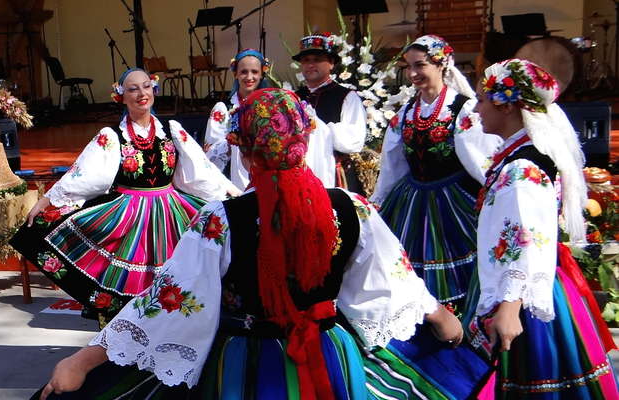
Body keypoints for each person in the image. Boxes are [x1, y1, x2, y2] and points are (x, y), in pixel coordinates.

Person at [32, 88, 464, 399]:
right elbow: (390, 281)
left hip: (247, 364)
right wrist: (442, 318)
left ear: (247, 153)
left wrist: (83, 361)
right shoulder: (352, 208)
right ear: (306, 140)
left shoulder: (222, 221)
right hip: (330, 356)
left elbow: (172, 302)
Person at [11, 68, 238, 322]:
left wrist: (231, 192)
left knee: (176, 277)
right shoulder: (112, 136)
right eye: (133, 89)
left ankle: (168, 333)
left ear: (154, 90)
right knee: (129, 281)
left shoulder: (172, 130)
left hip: (171, 213)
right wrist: (48, 200)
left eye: (146, 86)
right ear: (121, 96)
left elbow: (200, 171)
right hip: (129, 216)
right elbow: (85, 176)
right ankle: (128, 334)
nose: (142, 93)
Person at [469, 58, 618, 398]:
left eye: (481, 99)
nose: (476, 109)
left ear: (505, 105)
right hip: (526, 282)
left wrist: (508, 308)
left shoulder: (522, 169)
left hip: (523, 295)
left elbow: (527, 239)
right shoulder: (519, 156)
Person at [371, 35, 501, 316]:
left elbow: (482, 161)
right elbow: (393, 164)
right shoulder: (405, 114)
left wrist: (495, 197)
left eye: (420, 65)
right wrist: (379, 200)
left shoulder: (463, 109)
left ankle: (461, 324)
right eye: (409, 67)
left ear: (442, 64)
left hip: (453, 202)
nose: (413, 74)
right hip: (411, 201)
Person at [293, 33, 368, 192]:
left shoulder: (347, 97)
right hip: (298, 175)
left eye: (318, 59)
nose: (311, 65)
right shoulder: (293, 98)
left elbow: (354, 139)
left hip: (334, 175)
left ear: (331, 63)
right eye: (306, 60)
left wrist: (319, 129)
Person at [203, 48, 271, 189]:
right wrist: (234, 140)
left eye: (255, 72)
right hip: (235, 180)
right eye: (244, 72)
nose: (249, 77)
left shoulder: (270, 106)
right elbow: (210, 154)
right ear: (236, 74)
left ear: (262, 73)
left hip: (266, 177)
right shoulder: (224, 109)